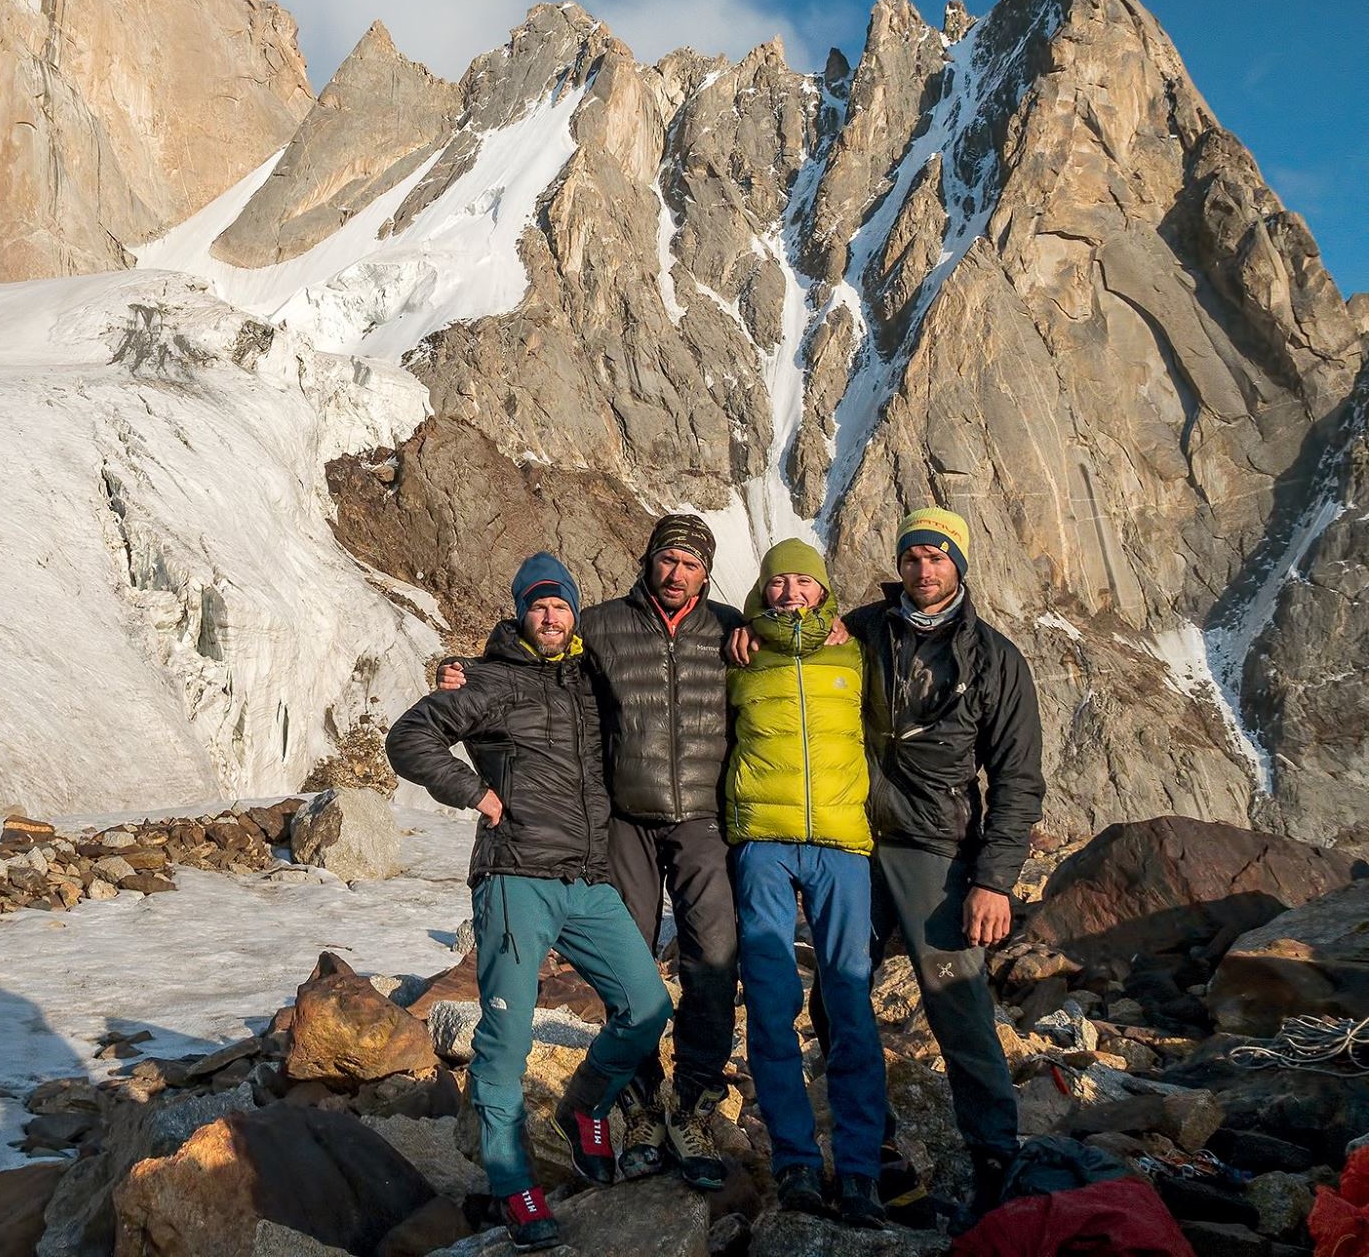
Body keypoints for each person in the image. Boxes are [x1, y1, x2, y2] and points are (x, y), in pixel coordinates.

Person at [733, 508, 1046, 1224]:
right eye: (913, 557)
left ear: (960, 566)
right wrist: (746, 629)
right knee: (837, 1000)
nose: (924, 569)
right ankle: (879, 1159)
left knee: (957, 1003)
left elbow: (1018, 778)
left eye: (938, 558)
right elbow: (796, 646)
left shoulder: (995, 658)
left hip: (936, 849)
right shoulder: (864, 630)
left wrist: (994, 878)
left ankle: (996, 1161)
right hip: (855, 841)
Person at [439, 513, 743, 1187]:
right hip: (625, 822)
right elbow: (529, 657)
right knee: (631, 965)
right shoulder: (598, 624)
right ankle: (634, 1105)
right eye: (667, 559)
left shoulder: (729, 628)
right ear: (648, 561)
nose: (676, 573)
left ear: (706, 571)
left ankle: (690, 1100)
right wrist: (466, 672)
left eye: (690, 563)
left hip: (702, 818)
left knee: (715, 957)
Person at [388, 552, 674, 1250]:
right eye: (538, 605)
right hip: (516, 877)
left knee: (647, 1007)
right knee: (505, 1042)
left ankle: (585, 1108)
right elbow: (410, 737)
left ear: (575, 614)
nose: (550, 616)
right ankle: (514, 1183)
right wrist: (475, 793)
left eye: (561, 605)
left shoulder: (589, 679)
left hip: (588, 880)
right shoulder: (490, 681)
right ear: (521, 611)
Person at [725, 536, 888, 1228]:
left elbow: (886, 732)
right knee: (769, 1003)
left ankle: (859, 1170)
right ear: (762, 592)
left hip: (843, 846)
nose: (791, 592)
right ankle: (794, 1160)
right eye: (779, 582)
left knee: (849, 1004)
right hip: (763, 841)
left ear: (824, 592)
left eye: (803, 582)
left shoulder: (856, 652)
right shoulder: (741, 655)